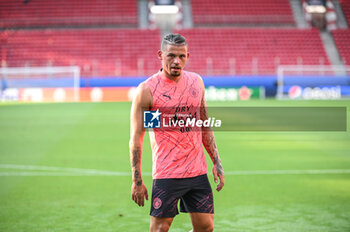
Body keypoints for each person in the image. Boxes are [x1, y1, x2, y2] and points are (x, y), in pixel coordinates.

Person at [129, 33, 224, 232]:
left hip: (197, 171)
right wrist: (137, 180)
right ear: (160, 55)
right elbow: (137, 139)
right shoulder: (147, 90)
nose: (176, 61)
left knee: (206, 228)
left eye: (181, 56)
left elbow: (204, 125)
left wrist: (216, 162)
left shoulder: (196, 83)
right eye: (171, 55)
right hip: (167, 172)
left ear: (188, 56)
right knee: (160, 229)